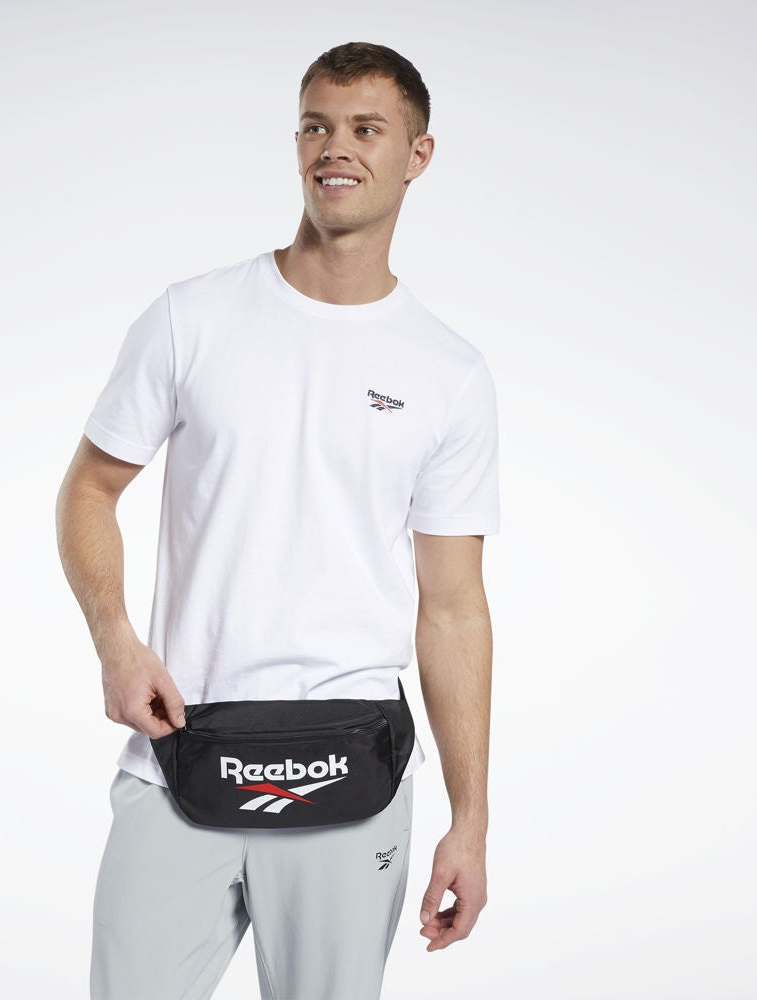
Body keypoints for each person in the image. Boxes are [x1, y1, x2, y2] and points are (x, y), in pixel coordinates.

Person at [56, 40, 500, 1000]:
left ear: (417, 155)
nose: (334, 148)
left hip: (353, 778)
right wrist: (116, 643)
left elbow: (454, 607)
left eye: (366, 129)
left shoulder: (448, 373)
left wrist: (469, 821)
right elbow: (88, 489)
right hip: (180, 755)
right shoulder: (192, 318)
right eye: (315, 126)